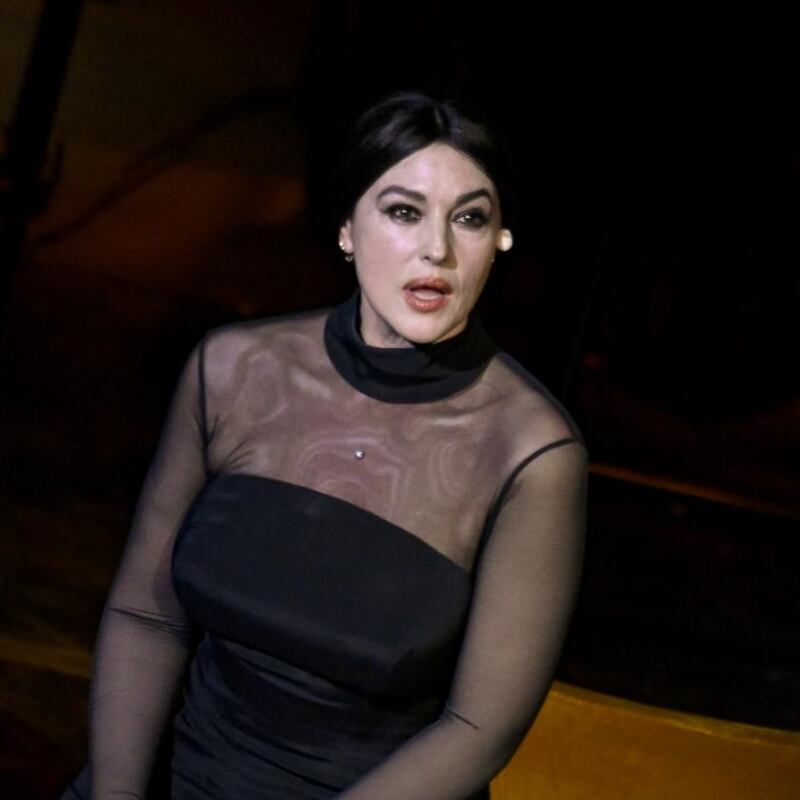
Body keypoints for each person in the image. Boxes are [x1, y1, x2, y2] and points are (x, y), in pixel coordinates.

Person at [62, 89, 587, 799]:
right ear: (346, 226)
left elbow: (478, 729)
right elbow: (147, 616)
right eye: (403, 212)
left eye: (469, 218)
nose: (437, 249)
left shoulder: (532, 452)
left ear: (500, 241)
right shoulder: (234, 369)